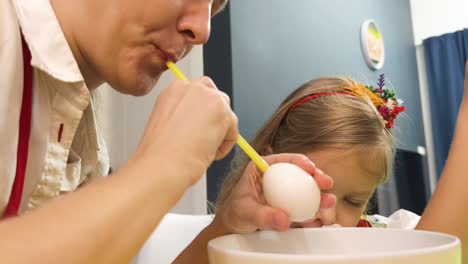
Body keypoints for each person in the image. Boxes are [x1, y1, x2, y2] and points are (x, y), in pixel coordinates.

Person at [0, 0, 335, 263]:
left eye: (214, 4)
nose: (203, 30)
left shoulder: (83, 139)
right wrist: (164, 165)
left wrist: (226, 227)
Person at [212, 71, 468, 263]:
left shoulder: (384, 238)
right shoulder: (242, 243)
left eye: (354, 200)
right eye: (312, 189)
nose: (329, 216)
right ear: (268, 168)